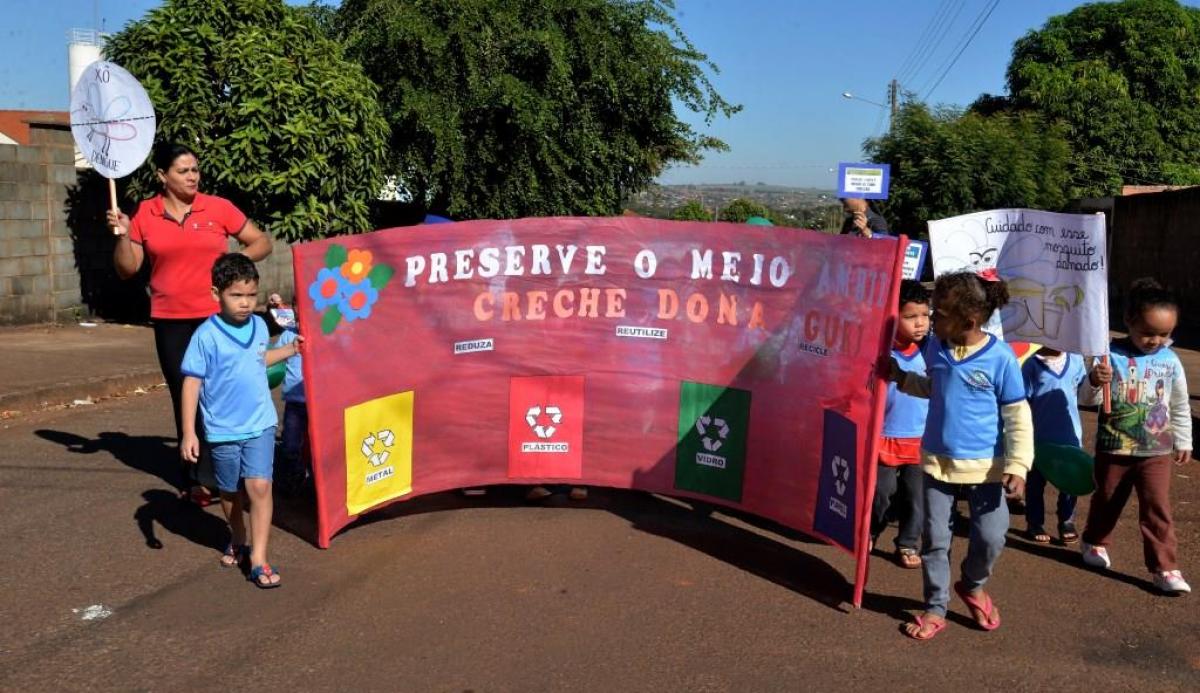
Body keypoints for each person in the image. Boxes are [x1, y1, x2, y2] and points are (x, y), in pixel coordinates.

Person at [109, 143, 272, 506]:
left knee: (223, 390)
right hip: (171, 321)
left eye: (195, 169)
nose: (192, 176)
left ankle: (230, 469)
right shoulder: (145, 213)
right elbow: (128, 268)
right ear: (162, 176)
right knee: (186, 393)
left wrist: (231, 265)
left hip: (217, 318)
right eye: (183, 171)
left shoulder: (218, 207)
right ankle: (198, 475)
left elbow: (261, 242)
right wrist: (122, 235)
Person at [890, 271, 1033, 640]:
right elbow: (935, 388)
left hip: (986, 470)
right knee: (935, 540)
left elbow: (1017, 416)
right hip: (936, 463)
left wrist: (1018, 466)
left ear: (968, 321)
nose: (930, 320)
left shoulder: (1000, 358)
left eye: (938, 315)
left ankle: (972, 585)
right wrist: (901, 378)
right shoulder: (936, 348)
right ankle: (935, 607)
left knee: (991, 537)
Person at [180, 253, 298, 588]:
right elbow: (191, 383)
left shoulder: (259, 326)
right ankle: (238, 535)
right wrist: (189, 432)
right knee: (230, 491)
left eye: (251, 295)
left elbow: (258, 359)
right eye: (236, 295)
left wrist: (290, 350)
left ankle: (259, 559)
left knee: (259, 486)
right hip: (222, 430)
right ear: (215, 293)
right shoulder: (205, 336)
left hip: (260, 423)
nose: (245, 303)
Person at [1080, 278, 1192, 594]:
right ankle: (1094, 541)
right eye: (1148, 332)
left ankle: (1165, 568)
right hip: (1114, 447)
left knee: (1157, 508)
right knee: (1107, 500)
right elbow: (1088, 399)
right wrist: (1094, 380)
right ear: (1129, 321)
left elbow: (1179, 403)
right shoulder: (1108, 355)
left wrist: (1184, 439)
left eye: (1165, 334)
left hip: (1156, 450)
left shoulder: (1170, 360)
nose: (1156, 340)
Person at [870, 280, 930, 569]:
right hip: (885, 436)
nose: (920, 323)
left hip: (920, 439)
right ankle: (870, 531)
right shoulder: (880, 351)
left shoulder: (932, 350)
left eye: (925, 315)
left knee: (915, 497)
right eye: (910, 316)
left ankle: (907, 543)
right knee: (881, 492)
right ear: (893, 316)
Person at [1021, 348, 1088, 544]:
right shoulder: (1031, 364)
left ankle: (1067, 520)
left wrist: (1095, 381)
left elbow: (1086, 393)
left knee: (1071, 482)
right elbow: (1023, 401)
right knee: (1035, 483)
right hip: (1039, 436)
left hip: (1070, 434)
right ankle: (1034, 522)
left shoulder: (1076, 359)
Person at [273, 325, 309, 495]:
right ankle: (295, 476)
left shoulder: (325, 330)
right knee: (290, 443)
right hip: (295, 401)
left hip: (319, 402)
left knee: (317, 443)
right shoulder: (288, 335)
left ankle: (315, 477)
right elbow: (274, 359)